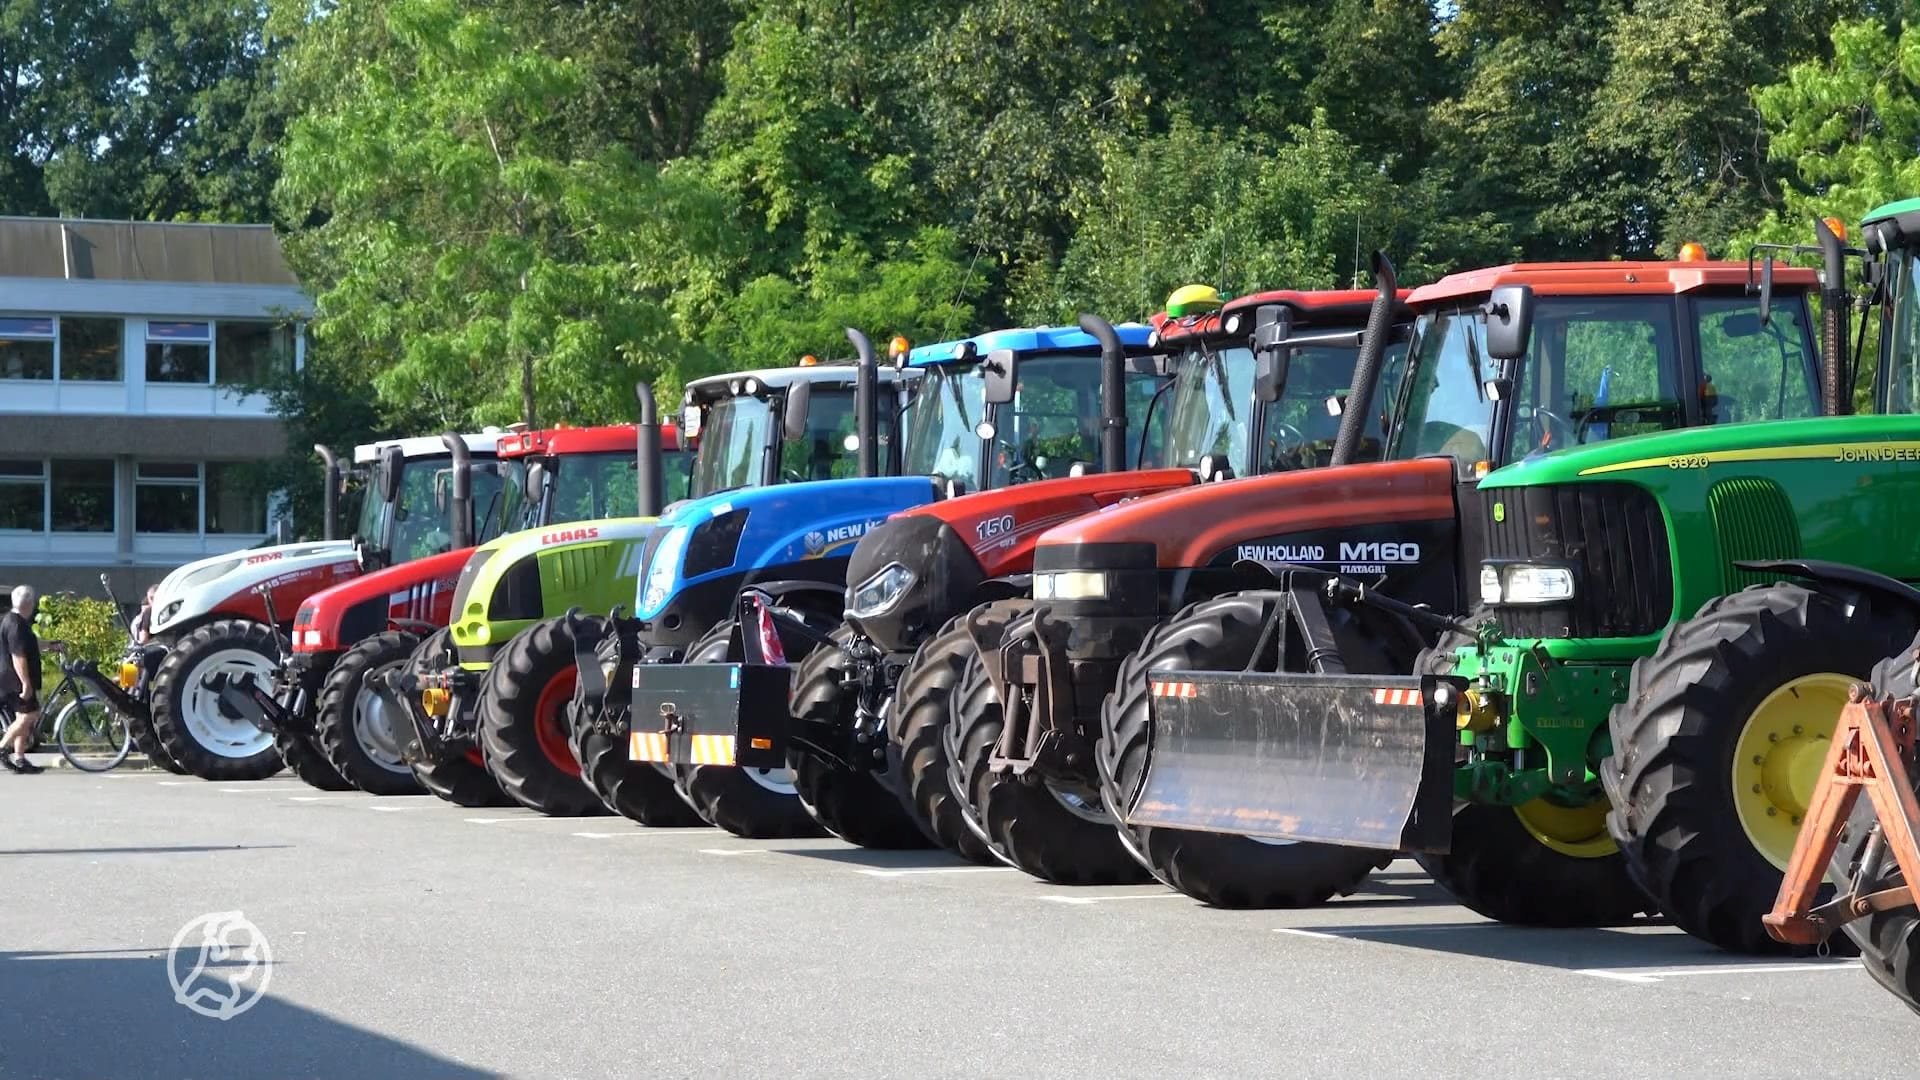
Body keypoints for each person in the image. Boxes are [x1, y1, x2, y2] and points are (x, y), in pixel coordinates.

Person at [0, 585, 62, 774]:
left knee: (23, 718)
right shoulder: (16, 624)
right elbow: (18, 656)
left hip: (12, 679)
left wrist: (51, 645)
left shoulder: (14, 621)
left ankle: (20, 759)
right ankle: (2, 748)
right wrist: (26, 683)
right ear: (29, 603)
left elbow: (31, 644)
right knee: (30, 715)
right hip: (15, 680)